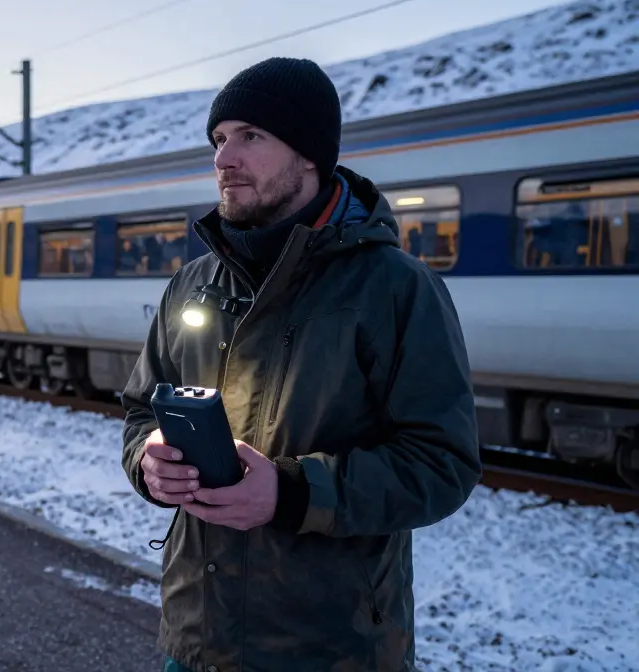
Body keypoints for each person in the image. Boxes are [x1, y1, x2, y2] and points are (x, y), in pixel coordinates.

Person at [119, 57, 481, 672]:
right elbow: (138, 412)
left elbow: (441, 464)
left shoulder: (394, 287)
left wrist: (290, 492)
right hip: (195, 640)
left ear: (310, 155)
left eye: (251, 136)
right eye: (219, 138)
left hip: (330, 649)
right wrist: (148, 466)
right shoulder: (193, 283)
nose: (224, 158)